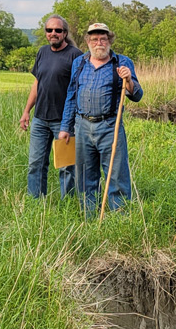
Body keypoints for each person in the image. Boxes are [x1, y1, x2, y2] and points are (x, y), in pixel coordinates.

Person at [59, 22, 143, 213]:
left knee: (116, 174)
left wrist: (128, 80)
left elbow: (137, 96)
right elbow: (71, 95)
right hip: (82, 126)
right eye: (95, 39)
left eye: (103, 39)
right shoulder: (79, 63)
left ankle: (117, 219)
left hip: (110, 125)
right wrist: (65, 127)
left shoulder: (122, 62)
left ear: (109, 40)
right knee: (85, 175)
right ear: (88, 41)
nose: (99, 43)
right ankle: (90, 217)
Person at [18, 14, 82, 198]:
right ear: (46, 32)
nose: (53, 33)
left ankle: (68, 203)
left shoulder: (75, 56)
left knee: (66, 166)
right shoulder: (42, 52)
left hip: (64, 121)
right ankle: (35, 202)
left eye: (58, 30)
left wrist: (71, 121)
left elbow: (79, 88)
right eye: (49, 30)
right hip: (40, 119)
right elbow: (38, 84)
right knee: (35, 164)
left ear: (65, 33)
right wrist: (26, 111)